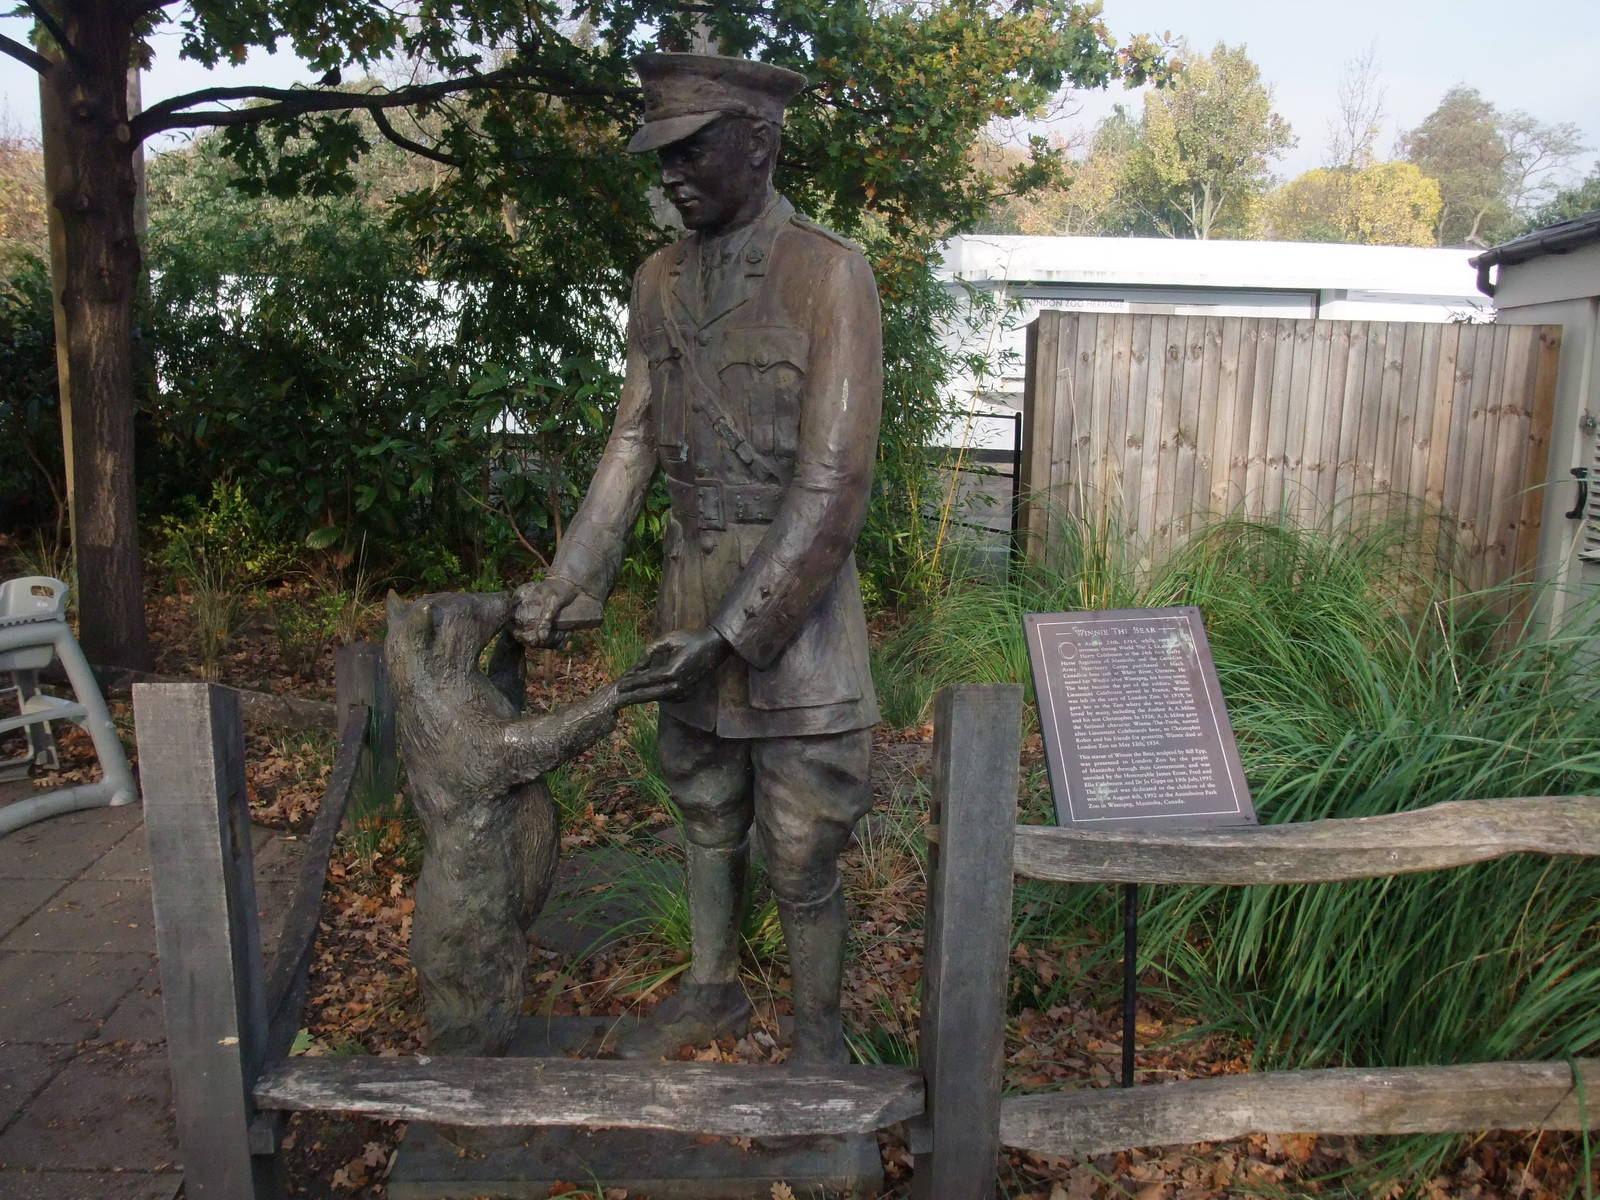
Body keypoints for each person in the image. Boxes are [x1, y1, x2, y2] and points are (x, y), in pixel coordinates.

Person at [513, 51, 882, 1065]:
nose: (668, 175)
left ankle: (818, 1037)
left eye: (689, 151)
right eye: (659, 156)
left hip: (793, 620)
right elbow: (632, 438)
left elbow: (832, 487)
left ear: (758, 143)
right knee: (705, 806)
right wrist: (569, 576)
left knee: (804, 846)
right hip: (689, 593)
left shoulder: (827, 273)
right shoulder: (658, 280)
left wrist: (729, 638)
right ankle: (711, 989)